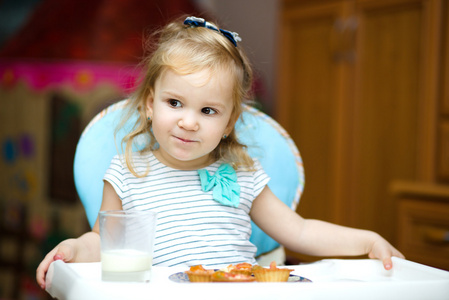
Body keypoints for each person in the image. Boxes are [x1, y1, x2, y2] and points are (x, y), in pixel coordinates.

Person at [36, 16, 404, 289]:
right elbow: (104, 242)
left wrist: (367, 241)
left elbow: (300, 231)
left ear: (229, 123)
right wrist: (72, 249)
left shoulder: (243, 175)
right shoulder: (127, 173)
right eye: (175, 102)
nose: (189, 122)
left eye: (208, 110)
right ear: (150, 104)